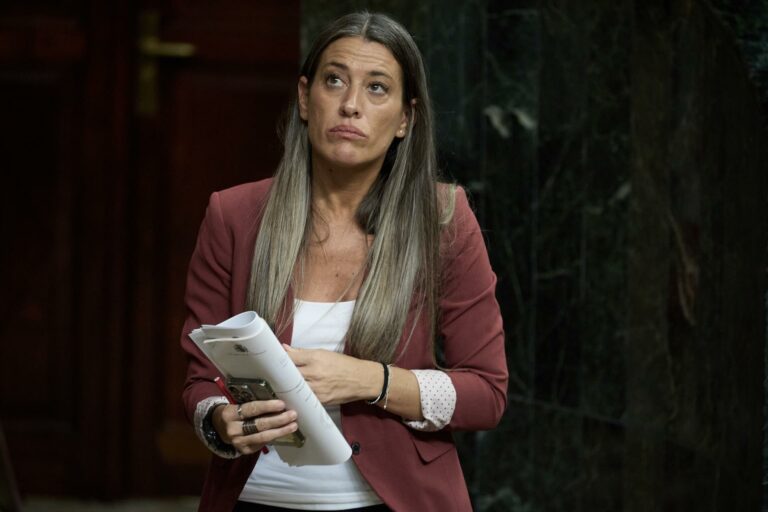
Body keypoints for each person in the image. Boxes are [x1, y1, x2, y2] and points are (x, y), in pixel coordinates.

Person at [180, 11, 507, 512]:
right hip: (257, 497)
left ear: (405, 119)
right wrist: (220, 423)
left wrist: (368, 380)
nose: (351, 104)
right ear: (305, 98)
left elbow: (486, 394)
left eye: (377, 88)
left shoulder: (442, 219)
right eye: (334, 80)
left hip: (393, 502)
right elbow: (201, 381)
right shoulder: (234, 215)